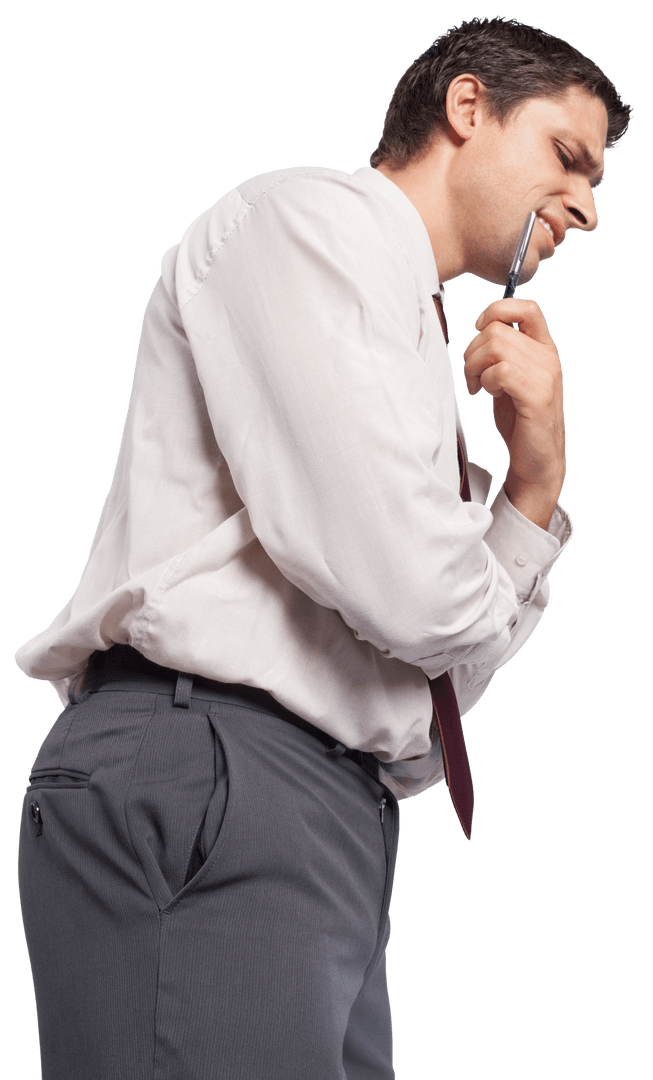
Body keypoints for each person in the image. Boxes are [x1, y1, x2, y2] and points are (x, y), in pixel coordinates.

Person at [15, 17, 631, 1080]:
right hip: (217, 767)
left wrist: (528, 490)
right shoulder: (308, 228)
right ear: (468, 107)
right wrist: (490, 533)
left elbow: (440, 674)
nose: (586, 204)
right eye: (567, 158)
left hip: (326, 811)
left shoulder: (399, 326)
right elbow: (419, 602)